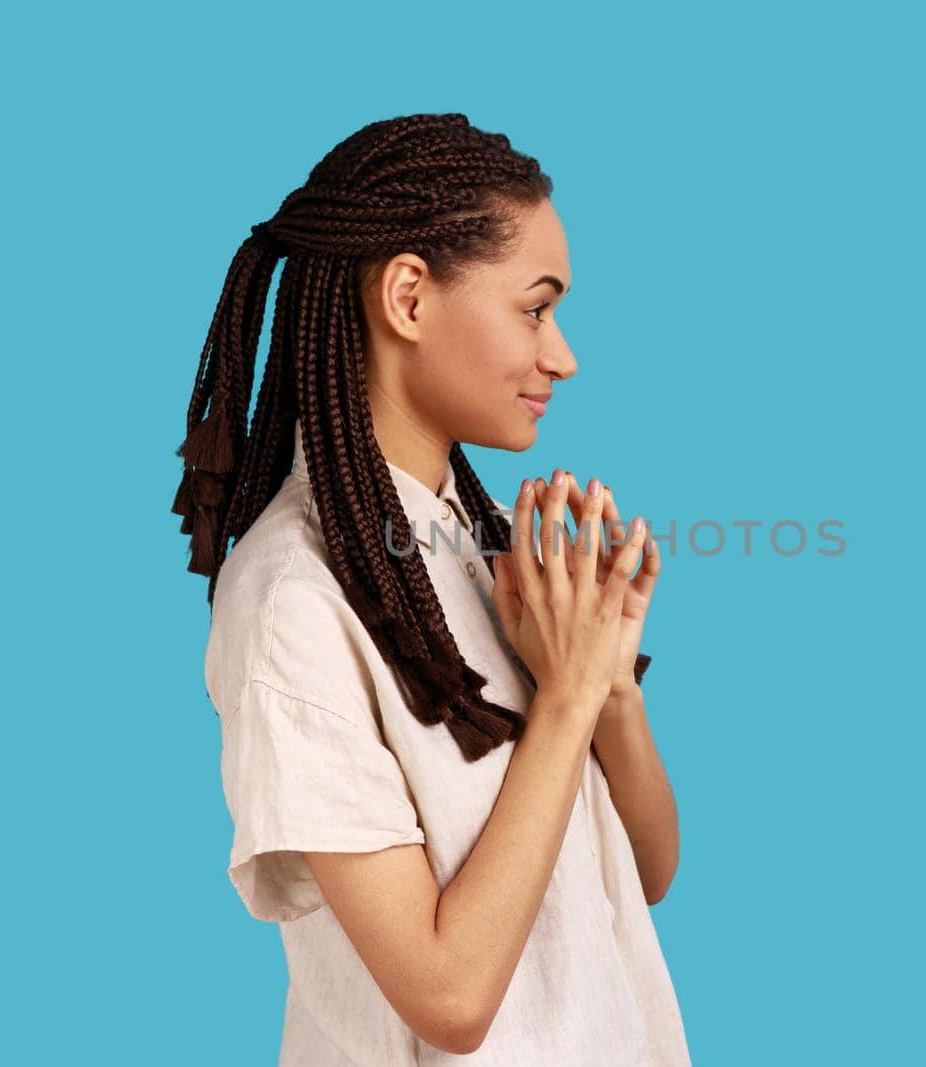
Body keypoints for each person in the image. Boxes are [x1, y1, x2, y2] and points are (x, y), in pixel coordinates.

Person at [171, 113, 691, 1065]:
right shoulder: (295, 599)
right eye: (535, 308)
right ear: (408, 296)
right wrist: (567, 697)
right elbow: (448, 997)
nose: (562, 354)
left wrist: (606, 679)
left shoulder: (482, 548)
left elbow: (647, 873)